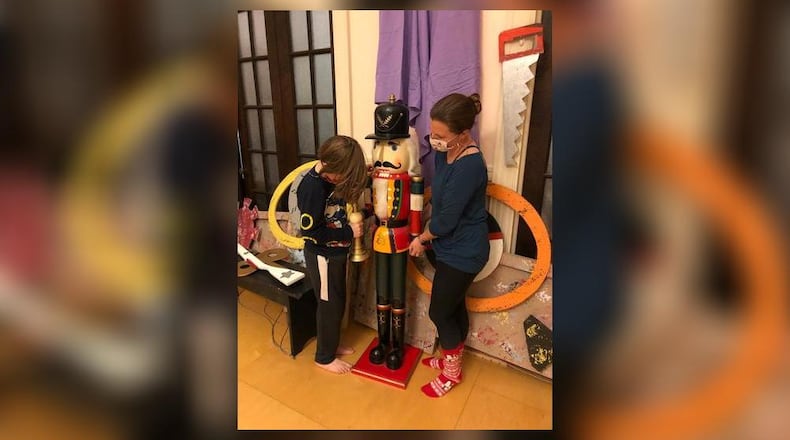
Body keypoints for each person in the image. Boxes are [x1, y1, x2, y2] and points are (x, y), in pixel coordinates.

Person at [408, 93, 489, 398]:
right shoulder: (445, 151)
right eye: (433, 133)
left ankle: (451, 372)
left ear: (464, 133)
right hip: (447, 245)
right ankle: (450, 357)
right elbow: (440, 196)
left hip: (465, 250)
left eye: (441, 136)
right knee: (454, 305)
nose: (435, 141)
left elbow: (446, 222)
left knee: (440, 312)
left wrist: (421, 240)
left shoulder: (470, 166)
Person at [297, 135, 368, 374]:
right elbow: (311, 233)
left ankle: (332, 343)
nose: (346, 180)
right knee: (328, 304)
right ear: (330, 166)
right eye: (345, 174)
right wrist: (349, 231)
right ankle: (324, 356)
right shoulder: (312, 188)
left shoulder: (330, 180)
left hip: (336, 253)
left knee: (338, 301)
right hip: (322, 256)